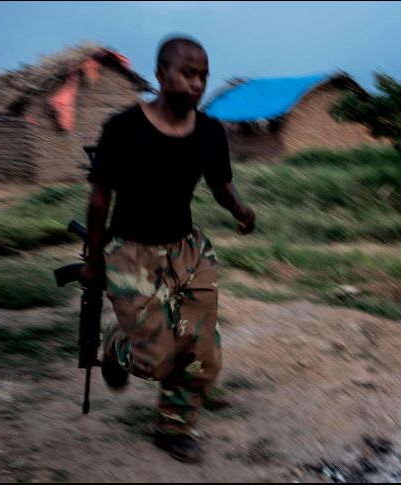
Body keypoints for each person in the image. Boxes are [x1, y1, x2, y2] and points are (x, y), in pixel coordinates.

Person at [80, 35, 256, 463]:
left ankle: (172, 427)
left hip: (188, 251)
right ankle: (115, 348)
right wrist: (94, 257)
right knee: (155, 358)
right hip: (131, 253)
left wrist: (240, 209)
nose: (198, 83)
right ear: (161, 74)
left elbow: (219, 182)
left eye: (203, 76)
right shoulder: (123, 128)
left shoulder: (210, 131)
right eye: (188, 73)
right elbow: (100, 197)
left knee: (202, 349)